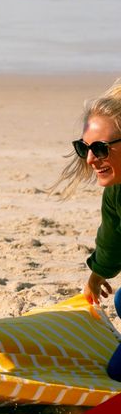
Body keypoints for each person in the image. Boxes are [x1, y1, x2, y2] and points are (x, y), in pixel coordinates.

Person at [54, 78, 121, 380]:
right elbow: (111, 241)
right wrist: (96, 277)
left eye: (100, 148)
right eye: (85, 148)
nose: (91, 159)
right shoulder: (116, 193)